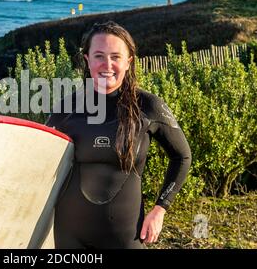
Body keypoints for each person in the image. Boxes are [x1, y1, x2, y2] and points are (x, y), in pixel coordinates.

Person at [45, 21, 192, 249]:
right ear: (86, 59)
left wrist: (160, 208)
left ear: (128, 62)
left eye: (116, 56)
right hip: (69, 236)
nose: (107, 64)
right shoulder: (67, 107)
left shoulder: (148, 106)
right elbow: (40, 159)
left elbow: (182, 157)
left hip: (126, 236)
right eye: (99, 56)